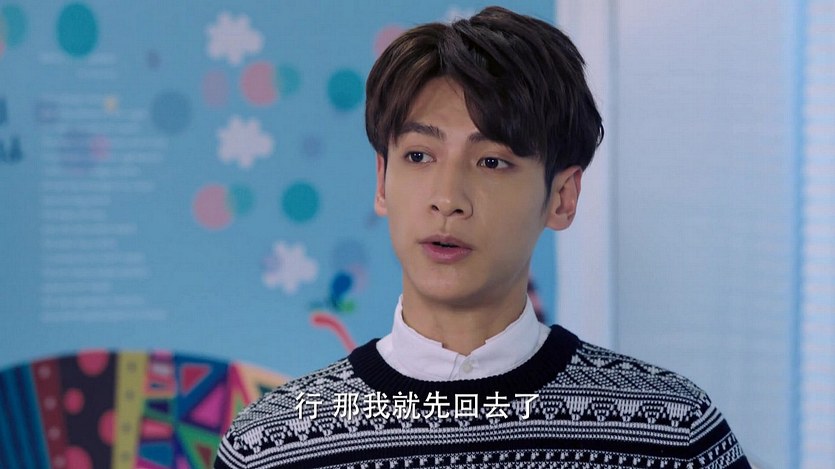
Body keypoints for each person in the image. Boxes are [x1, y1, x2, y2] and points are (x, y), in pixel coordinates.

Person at [214, 6, 751, 468]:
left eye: (492, 161)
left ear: (562, 197)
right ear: (382, 181)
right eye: (419, 156)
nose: (447, 198)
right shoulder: (271, 446)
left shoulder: (673, 433)